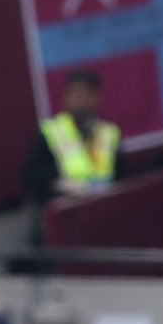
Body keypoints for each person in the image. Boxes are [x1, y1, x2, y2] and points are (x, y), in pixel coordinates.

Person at [21, 69, 124, 243]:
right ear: (65, 98)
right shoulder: (50, 132)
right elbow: (30, 176)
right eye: (75, 94)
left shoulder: (108, 133)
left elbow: (123, 176)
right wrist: (61, 181)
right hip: (67, 215)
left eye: (86, 94)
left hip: (105, 213)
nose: (81, 100)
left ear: (97, 97)